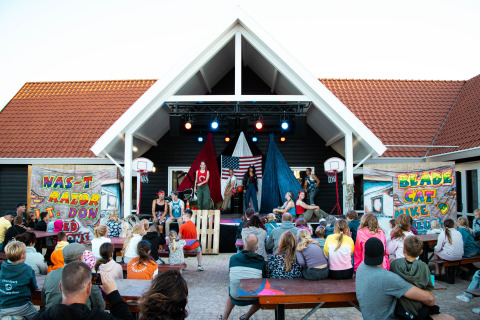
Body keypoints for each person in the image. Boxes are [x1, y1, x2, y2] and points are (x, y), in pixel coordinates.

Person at [356, 237, 454, 320]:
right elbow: (430, 299)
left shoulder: (361, 268)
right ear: (384, 253)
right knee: (449, 318)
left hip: (369, 316)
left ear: (365, 252)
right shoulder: (388, 278)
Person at [36, 261, 134, 320]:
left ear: (60, 287)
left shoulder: (46, 316)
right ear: (88, 288)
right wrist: (113, 294)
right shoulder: (98, 317)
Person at [41, 243, 105, 310]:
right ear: (80, 258)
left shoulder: (50, 274)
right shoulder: (91, 275)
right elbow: (99, 304)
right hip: (81, 315)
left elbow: (44, 299)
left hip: (52, 315)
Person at [390, 235, 439, 319]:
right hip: (419, 304)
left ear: (403, 250)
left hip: (401, 305)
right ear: (421, 252)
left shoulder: (395, 264)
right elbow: (430, 286)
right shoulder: (424, 266)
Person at [222, 234, 265, 320]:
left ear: (244, 245)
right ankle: (246, 317)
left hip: (235, 296)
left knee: (232, 289)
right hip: (254, 298)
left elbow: (231, 274)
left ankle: (225, 317)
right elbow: (263, 278)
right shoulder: (261, 261)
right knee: (263, 297)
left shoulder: (233, 258)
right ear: (257, 248)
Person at [0, 241, 38, 320]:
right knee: (38, 317)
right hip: (22, 307)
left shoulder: (2, 268)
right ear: (22, 255)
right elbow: (33, 287)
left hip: (3, 307)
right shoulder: (27, 269)